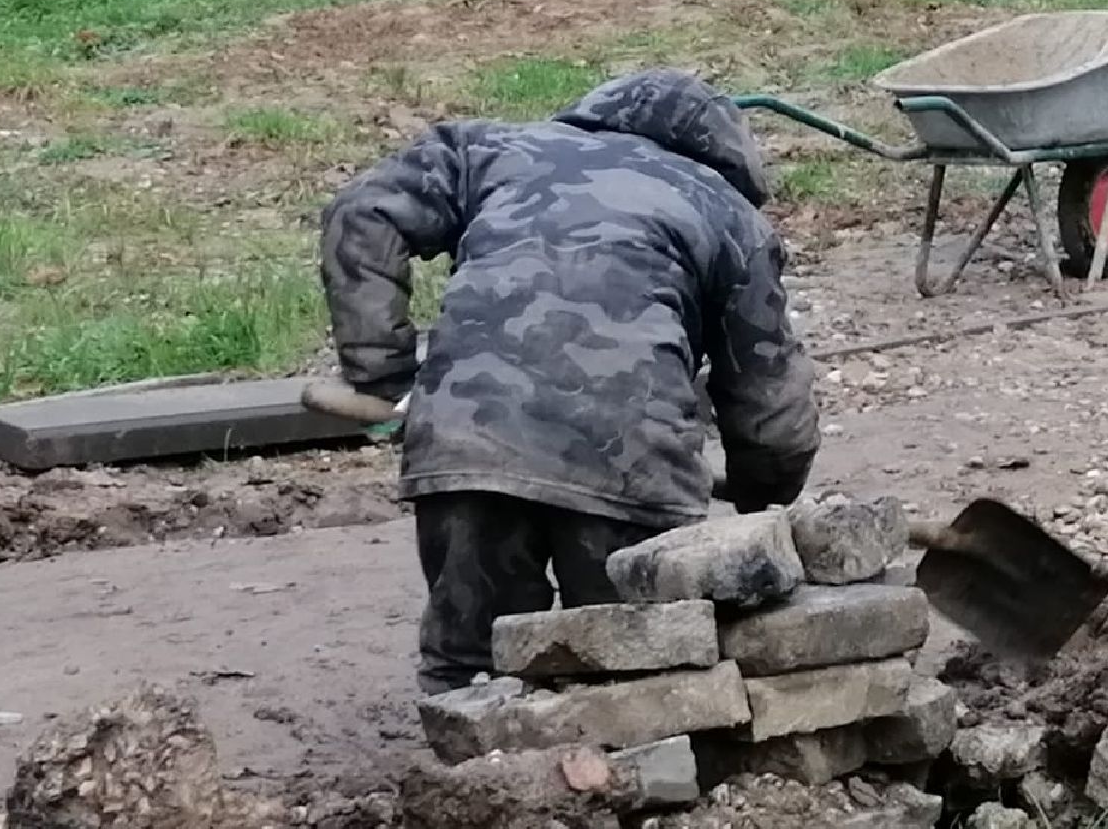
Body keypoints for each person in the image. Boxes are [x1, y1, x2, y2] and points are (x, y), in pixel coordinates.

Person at [317, 67, 820, 694]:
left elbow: (362, 212)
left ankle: (480, 778)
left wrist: (383, 370)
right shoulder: (729, 215)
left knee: (473, 665)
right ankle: (625, 775)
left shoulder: (490, 151)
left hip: (467, 435)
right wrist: (763, 496)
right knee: (634, 667)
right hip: (630, 462)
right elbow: (770, 403)